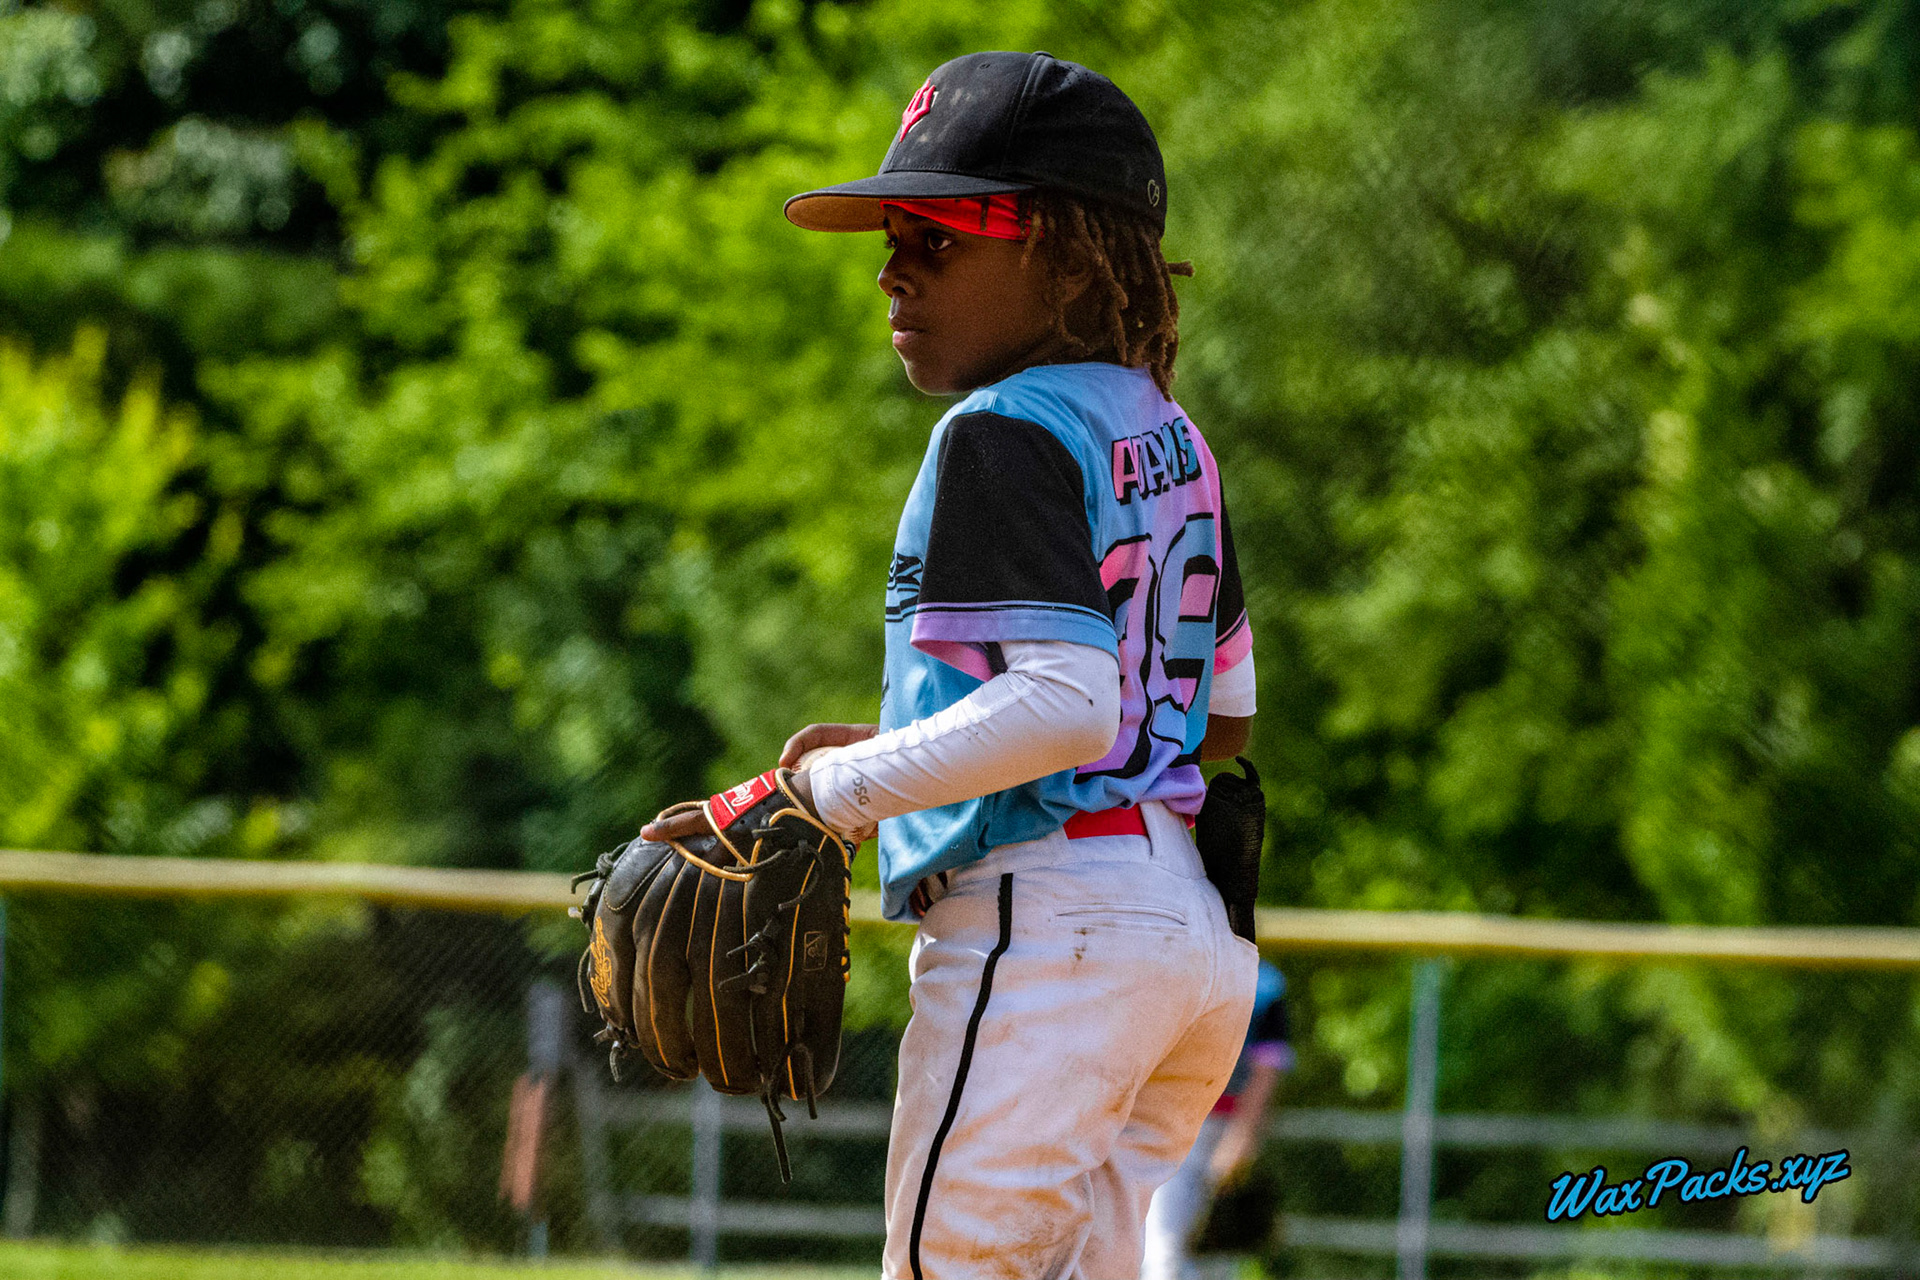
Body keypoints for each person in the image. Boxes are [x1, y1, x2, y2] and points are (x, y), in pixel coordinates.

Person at [642, 50, 1259, 1278]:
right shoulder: (1167, 432)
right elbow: (1222, 716)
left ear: (1063, 250)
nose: (890, 267)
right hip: (1186, 934)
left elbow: (1067, 706)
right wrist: (884, 745)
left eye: (934, 233)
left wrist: (833, 793)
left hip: (1049, 924)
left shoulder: (1001, 430)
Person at [1141, 959, 1292, 1280]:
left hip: (1223, 1125)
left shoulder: (1264, 983)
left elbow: (1266, 1068)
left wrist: (1241, 1137)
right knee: (1163, 1250)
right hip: (1171, 1120)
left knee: (1217, 1254)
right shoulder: (1173, 964)